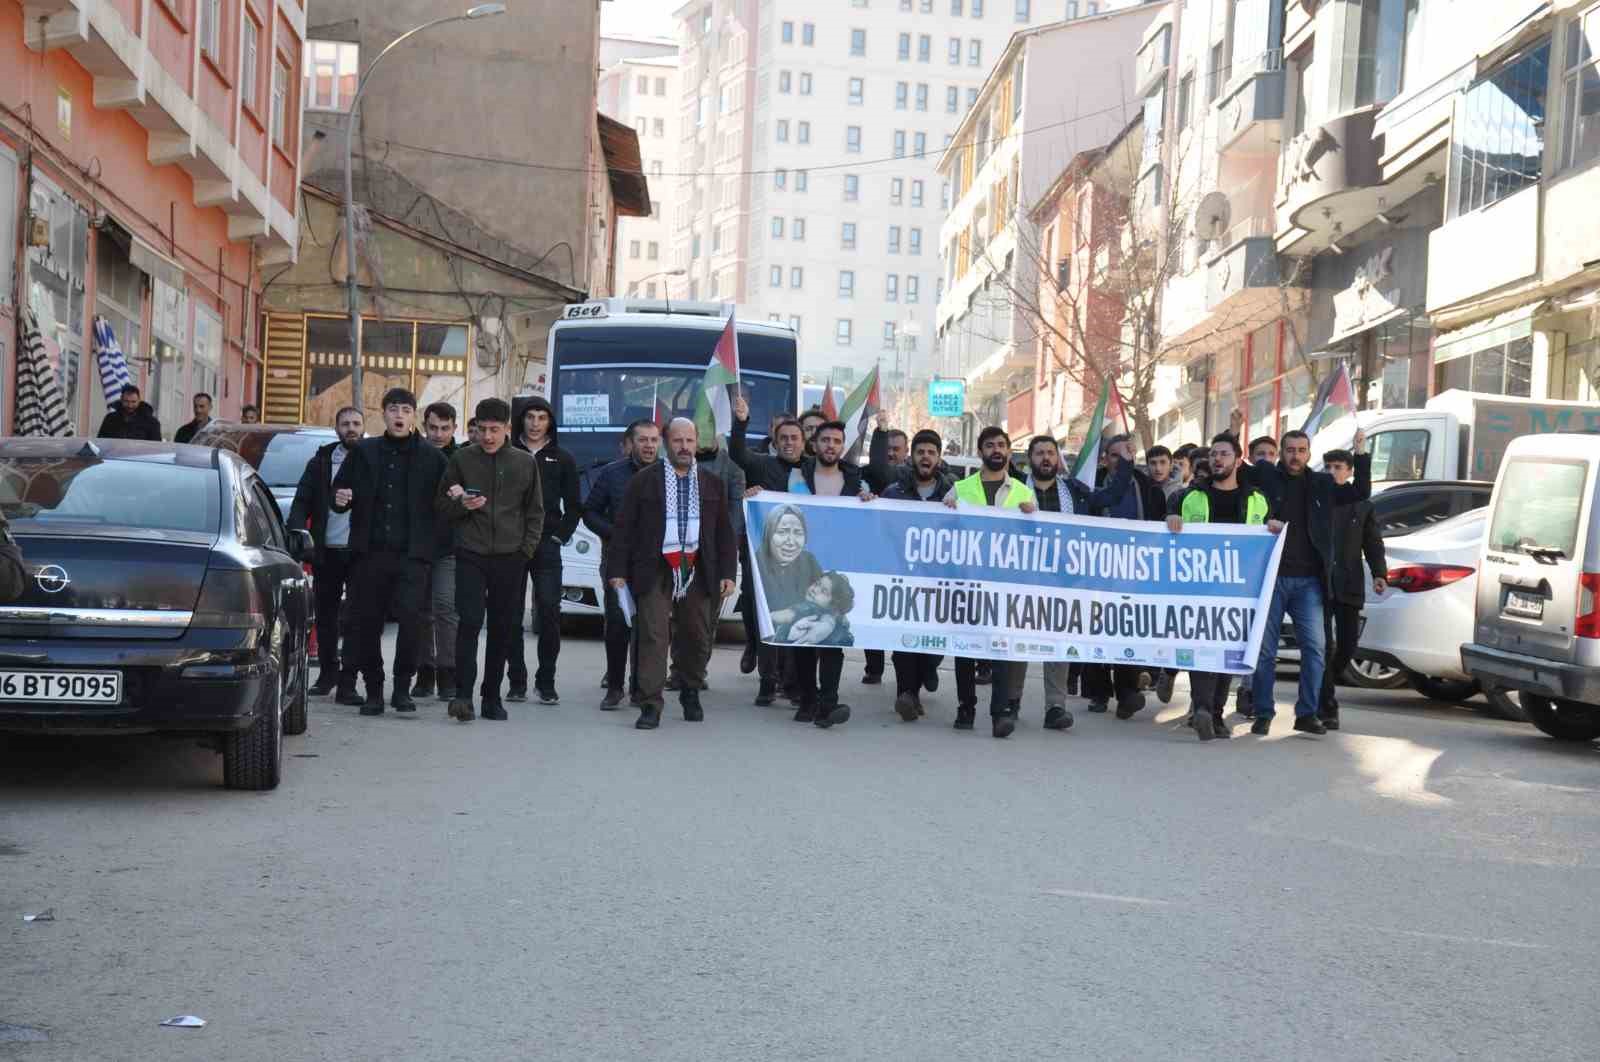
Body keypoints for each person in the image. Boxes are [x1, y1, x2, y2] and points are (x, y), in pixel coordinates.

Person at [1229, 410, 1371, 736]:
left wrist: (1361, 451)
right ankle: (1263, 711)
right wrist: (1235, 431)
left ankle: (1307, 713)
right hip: (1271, 578)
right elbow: (1236, 470)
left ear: (1309, 453)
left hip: (1310, 582)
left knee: (1315, 650)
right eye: (1290, 450)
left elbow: (1359, 492)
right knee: (1265, 653)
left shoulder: (1322, 482)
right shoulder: (1265, 475)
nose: (1296, 456)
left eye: (1302, 450)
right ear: (1282, 452)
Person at [606, 418, 736, 730]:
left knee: (696, 636)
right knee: (653, 635)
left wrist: (728, 572)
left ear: (697, 443)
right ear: (666, 443)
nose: (684, 447)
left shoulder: (711, 483)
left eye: (689, 441)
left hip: (698, 571)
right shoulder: (644, 481)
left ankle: (690, 690)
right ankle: (650, 704)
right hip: (654, 569)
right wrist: (618, 570)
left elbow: (724, 533)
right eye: (678, 441)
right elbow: (624, 528)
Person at [330, 387, 449, 715]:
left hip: (413, 557)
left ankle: (401, 689)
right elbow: (338, 491)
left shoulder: (433, 458)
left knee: (412, 624)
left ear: (414, 416)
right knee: (368, 623)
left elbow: (446, 507)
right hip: (370, 555)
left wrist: (433, 543)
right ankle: (373, 690)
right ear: (382, 414)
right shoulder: (364, 452)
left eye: (406, 410)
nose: (399, 415)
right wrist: (340, 499)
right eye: (393, 409)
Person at [1009, 433, 1136, 728]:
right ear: (1030, 460)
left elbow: (1111, 497)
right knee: (1018, 643)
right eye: (1039, 453)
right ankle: (1011, 702)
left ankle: (1055, 707)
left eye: (1050, 453)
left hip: (1064, 579)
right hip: (1023, 578)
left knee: (1058, 642)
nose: (1045, 458)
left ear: (1058, 459)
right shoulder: (1015, 491)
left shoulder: (1074, 491)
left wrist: (1127, 463)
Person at [437, 398, 543, 722]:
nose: (487, 437)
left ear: (508, 429)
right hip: (470, 553)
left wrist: (525, 551)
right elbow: (441, 505)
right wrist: (462, 507)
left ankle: (492, 697)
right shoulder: (461, 459)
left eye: (494, 430)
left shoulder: (525, 463)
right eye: (482, 429)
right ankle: (462, 696)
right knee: (468, 622)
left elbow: (535, 512)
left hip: (511, 557)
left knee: (502, 627)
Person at [1165, 434, 1270, 740]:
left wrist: (1274, 526)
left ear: (1238, 460)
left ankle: (1216, 712)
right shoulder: (1191, 496)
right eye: (1213, 455)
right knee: (1200, 646)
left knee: (1228, 651)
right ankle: (1201, 709)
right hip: (1197, 587)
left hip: (1239, 591)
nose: (1217, 459)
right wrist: (1171, 516)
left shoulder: (1257, 499)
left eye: (1223, 454)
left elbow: (1270, 531)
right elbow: (1170, 511)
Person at [943, 425, 1038, 738]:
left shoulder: (1024, 493)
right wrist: (948, 512)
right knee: (965, 648)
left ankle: (1000, 714)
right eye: (989, 445)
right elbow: (940, 527)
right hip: (967, 582)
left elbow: (1036, 539)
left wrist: (1032, 517)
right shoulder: (962, 488)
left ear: (1009, 451)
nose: (996, 450)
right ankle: (966, 708)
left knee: (1001, 650)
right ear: (981, 451)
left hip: (1006, 585)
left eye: (1001, 445)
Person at [728, 401, 810, 706]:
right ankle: (767, 681)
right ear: (775, 443)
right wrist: (741, 422)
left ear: (804, 443)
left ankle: (791, 683)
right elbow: (737, 454)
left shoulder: (813, 471)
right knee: (766, 620)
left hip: (800, 561)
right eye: (783, 438)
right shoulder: (763, 466)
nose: (789, 442)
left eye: (795, 438)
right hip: (763, 559)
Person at [289, 405, 366, 703]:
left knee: (357, 618)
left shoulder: (371, 459)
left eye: (356, 423)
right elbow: (301, 501)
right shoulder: (320, 461)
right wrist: (298, 533)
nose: (351, 428)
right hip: (327, 550)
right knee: (326, 615)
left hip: (360, 551)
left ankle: (349, 680)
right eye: (345, 423)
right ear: (337, 429)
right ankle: (328, 673)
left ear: (364, 427)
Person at [584, 419, 662, 708]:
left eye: (654, 440)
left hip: (655, 563)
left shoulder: (668, 474)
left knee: (649, 625)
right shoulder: (612, 474)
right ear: (631, 443)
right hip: (618, 562)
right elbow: (590, 512)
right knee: (618, 624)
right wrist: (615, 534)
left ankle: (641, 687)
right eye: (643, 440)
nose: (649, 446)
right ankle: (615, 687)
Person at [509, 396, 581, 705]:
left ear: (550, 422)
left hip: (547, 545)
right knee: (510, 614)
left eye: (542, 417)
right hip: (511, 544)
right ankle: (516, 681)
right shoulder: (508, 452)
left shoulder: (563, 458)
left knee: (550, 611)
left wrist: (560, 536)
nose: (535, 423)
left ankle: (546, 680)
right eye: (530, 417)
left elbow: (575, 506)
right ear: (521, 421)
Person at [883, 429, 953, 720]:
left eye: (931, 452)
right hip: (903, 579)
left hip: (939, 582)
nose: (926, 457)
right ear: (912, 456)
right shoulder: (894, 491)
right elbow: (881, 528)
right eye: (921, 451)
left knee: (933, 641)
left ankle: (928, 669)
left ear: (938, 458)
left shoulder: (952, 492)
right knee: (903, 642)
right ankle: (907, 695)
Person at [1320, 448, 1387, 730]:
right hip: (1320, 584)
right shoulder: (1317, 499)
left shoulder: (1361, 504)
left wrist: (1379, 573)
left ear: (1349, 471)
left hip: (1349, 583)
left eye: (1338, 467)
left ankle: (1321, 685)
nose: (1332, 472)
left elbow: (1372, 543)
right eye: (1328, 466)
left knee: (1347, 646)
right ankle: (1326, 704)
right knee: (1322, 647)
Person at [411, 402, 462, 702]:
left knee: (445, 609)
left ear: (454, 427)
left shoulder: (464, 457)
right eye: (433, 427)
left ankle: (447, 674)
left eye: (445, 428)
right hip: (417, 545)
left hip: (449, 546)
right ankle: (424, 672)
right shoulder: (414, 454)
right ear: (424, 425)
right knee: (420, 612)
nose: (439, 434)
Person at [859, 411, 909, 687]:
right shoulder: (870, 473)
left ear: (906, 451)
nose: (891, 454)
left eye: (896, 449)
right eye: (886, 449)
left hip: (906, 557)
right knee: (874, 609)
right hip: (876, 552)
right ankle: (874, 667)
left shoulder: (915, 475)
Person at [97, 384, 162, 440]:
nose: (130, 405)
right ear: (121, 400)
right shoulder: (110, 419)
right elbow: (100, 441)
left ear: (139, 400)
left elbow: (156, 448)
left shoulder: (152, 422)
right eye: (126, 401)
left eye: (133, 402)